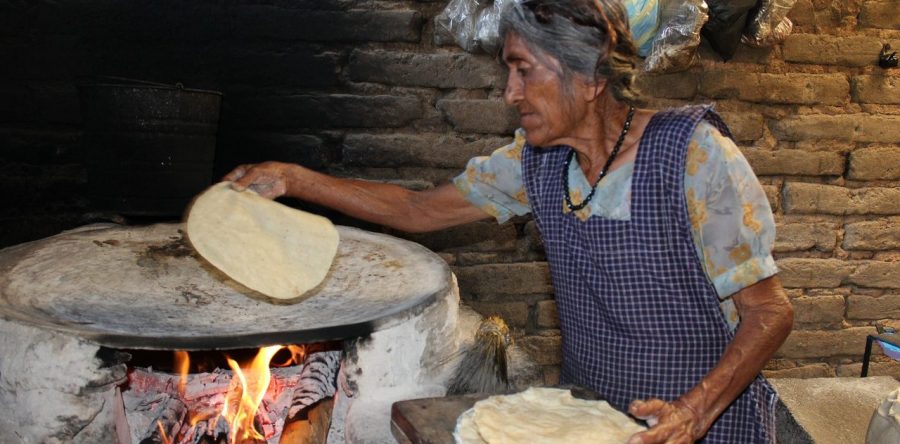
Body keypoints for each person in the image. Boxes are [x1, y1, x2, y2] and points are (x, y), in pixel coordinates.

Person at [224, 0, 793, 442]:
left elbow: (769, 312)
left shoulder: (692, 155)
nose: (509, 93)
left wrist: (694, 411)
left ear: (589, 76)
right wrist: (295, 179)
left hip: (706, 424)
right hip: (592, 422)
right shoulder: (535, 163)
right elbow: (417, 209)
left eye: (523, 70)